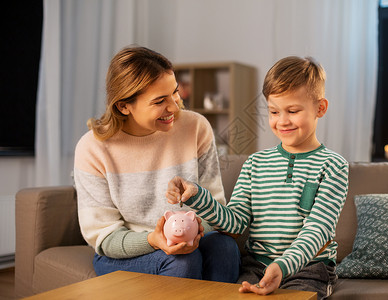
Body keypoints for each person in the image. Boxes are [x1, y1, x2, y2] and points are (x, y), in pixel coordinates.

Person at [166, 56, 349, 299]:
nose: (282, 121)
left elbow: (318, 230)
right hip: (256, 266)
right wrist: (197, 197)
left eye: (293, 111)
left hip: (309, 268)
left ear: (320, 108)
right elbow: (235, 222)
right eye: (274, 111)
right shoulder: (255, 164)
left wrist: (283, 267)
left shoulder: (333, 166)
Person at [73, 45, 240, 283]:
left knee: (224, 247)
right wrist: (154, 239)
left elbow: (216, 210)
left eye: (174, 92)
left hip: (188, 234)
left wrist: (190, 232)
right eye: (160, 101)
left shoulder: (196, 127)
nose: (174, 106)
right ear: (124, 106)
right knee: (181, 261)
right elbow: (105, 238)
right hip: (123, 252)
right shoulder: (93, 148)